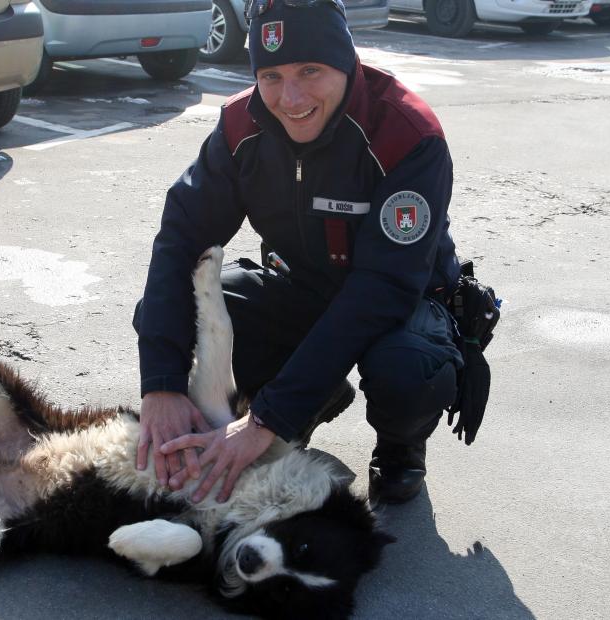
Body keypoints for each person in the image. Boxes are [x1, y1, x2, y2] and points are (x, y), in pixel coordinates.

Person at [132, 0, 468, 506]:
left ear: (346, 62)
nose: (290, 97)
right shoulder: (240, 127)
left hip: (399, 303)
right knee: (208, 301)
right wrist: (161, 383)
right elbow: (180, 239)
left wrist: (268, 418)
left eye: (309, 70)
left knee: (409, 365)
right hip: (307, 287)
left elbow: (382, 288)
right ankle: (314, 396)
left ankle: (401, 444)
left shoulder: (405, 133)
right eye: (271, 76)